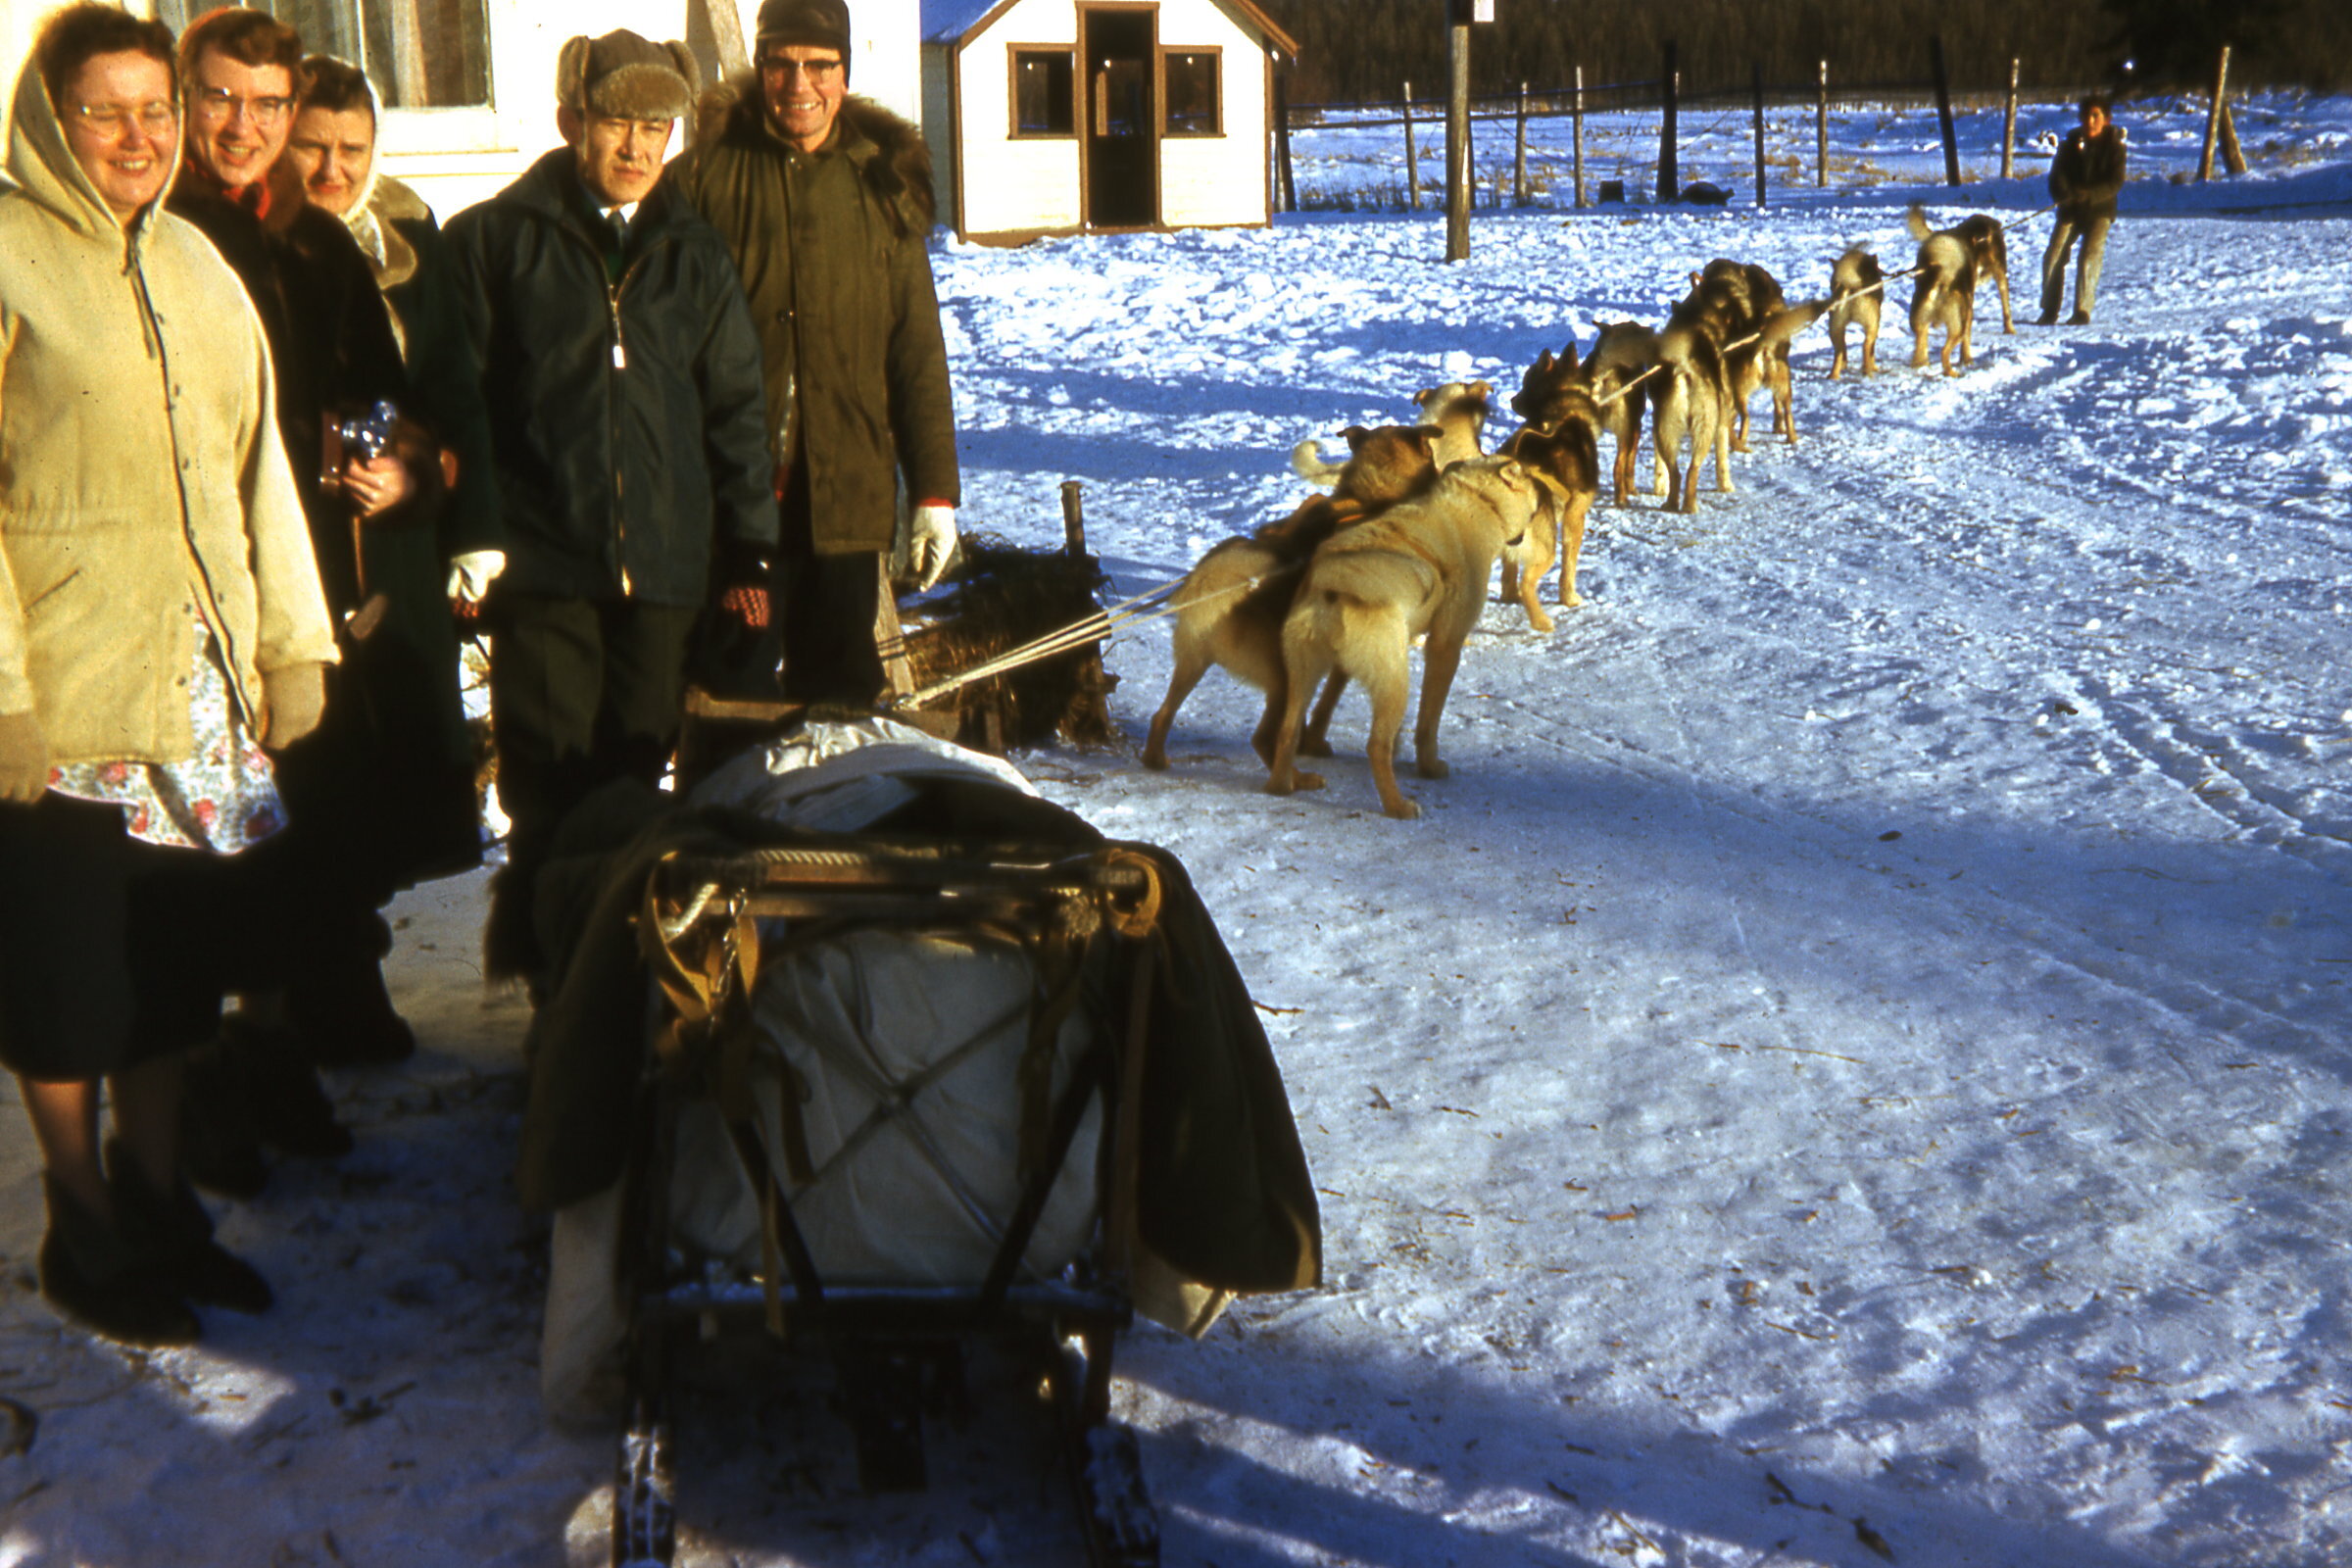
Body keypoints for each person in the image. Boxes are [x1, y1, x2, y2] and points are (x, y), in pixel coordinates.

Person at [0, 2, 339, 1342]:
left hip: (195, 684)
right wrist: (2, 696)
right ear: (49, 116)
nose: (139, 137)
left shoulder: (200, 261)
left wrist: (292, 641)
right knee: (71, 972)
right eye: (106, 111)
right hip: (65, 682)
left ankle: (156, 1198)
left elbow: (261, 472)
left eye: (157, 110)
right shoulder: (10, 256)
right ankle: (79, 1224)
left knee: (175, 964)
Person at [170, 9, 479, 1079]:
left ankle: (312, 1009)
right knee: (221, 834)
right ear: (185, 97)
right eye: (221, 99)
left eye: (266, 105)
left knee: (320, 803)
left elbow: (388, 404)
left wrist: (399, 463)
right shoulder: (165, 234)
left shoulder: (316, 244)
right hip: (203, 584)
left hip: (316, 573)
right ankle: (228, 1058)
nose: (244, 126)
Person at [445, 29, 778, 983]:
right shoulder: (494, 242)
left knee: (635, 777)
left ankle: (626, 981)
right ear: (570, 124)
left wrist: (749, 552)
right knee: (549, 783)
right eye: (615, 125)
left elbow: (738, 412)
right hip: (547, 569)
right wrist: (470, 537)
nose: (636, 148)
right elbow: (458, 401)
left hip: (667, 570)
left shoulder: (693, 253)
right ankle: (557, 991)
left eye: (655, 127)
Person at [668, 0, 960, 708]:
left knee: (840, 699)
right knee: (727, 691)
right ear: (762, 70)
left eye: (818, 65)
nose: (799, 84)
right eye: (781, 64)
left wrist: (933, 492)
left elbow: (916, 350)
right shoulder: (704, 180)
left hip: (847, 496)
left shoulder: (880, 184)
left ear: (844, 72)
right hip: (736, 504)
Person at [2037, 95, 2127, 327]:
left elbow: (2115, 182)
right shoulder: (2070, 144)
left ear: (2106, 120)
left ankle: (2082, 311)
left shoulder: (2115, 148)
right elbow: (2057, 176)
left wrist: (2089, 195)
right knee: (2053, 256)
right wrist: (2065, 195)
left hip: (2099, 210)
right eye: (2087, 115)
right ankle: (2049, 309)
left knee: (2089, 256)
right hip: (2070, 209)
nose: (2090, 120)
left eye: (2096, 115)